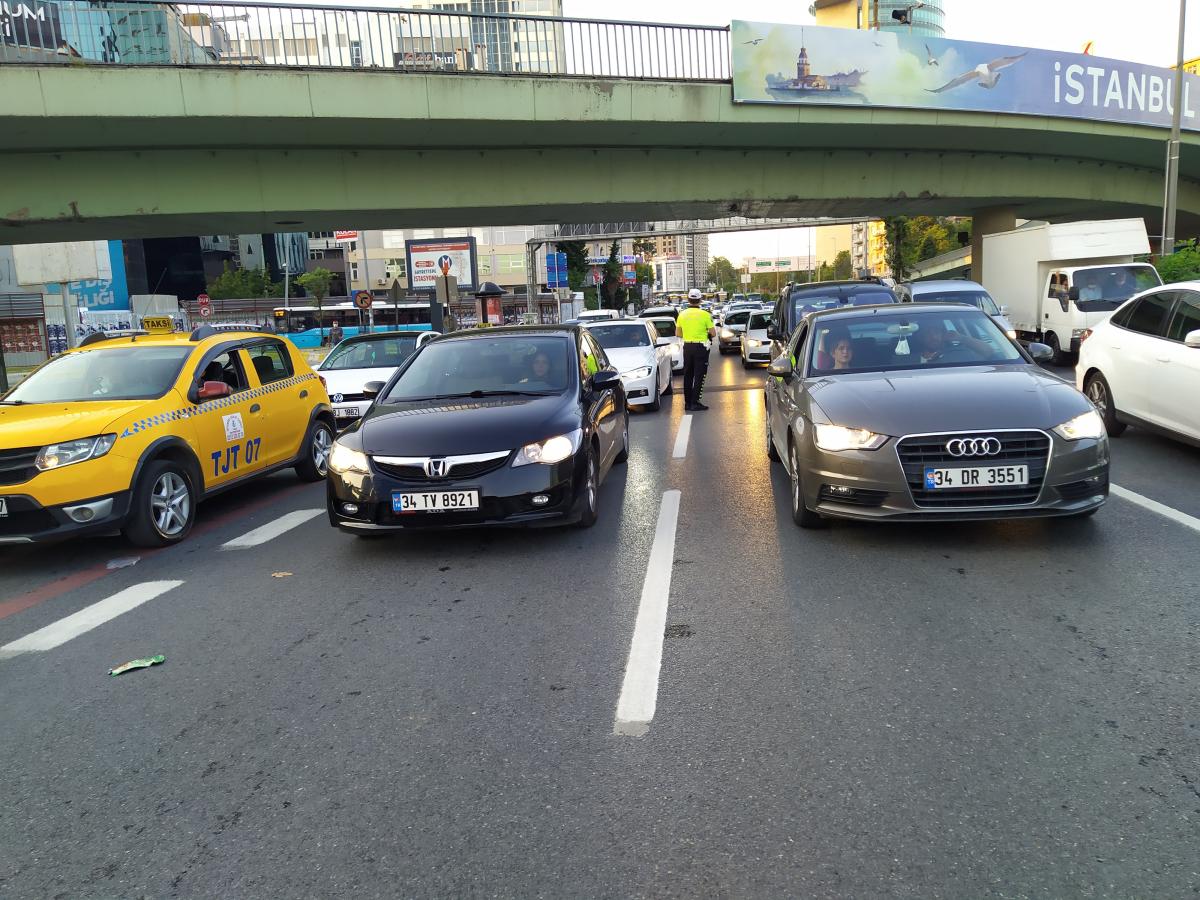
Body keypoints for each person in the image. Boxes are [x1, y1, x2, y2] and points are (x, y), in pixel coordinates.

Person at [678, 288, 715, 411]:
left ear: (688, 299)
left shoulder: (682, 315)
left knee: (687, 375)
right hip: (701, 347)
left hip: (687, 347)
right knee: (699, 375)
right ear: (700, 300)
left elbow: (678, 333)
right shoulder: (705, 315)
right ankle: (695, 402)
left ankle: (687, 403)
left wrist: (689, 334)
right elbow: (713, 333)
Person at [911, 319, 994, 364]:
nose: (933, 336)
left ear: (943, 334)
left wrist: (962, 338)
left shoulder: (959, 355)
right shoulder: (905, 361)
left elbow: (988, 351)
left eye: (936, 331)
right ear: (920, 337)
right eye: (927, 333)